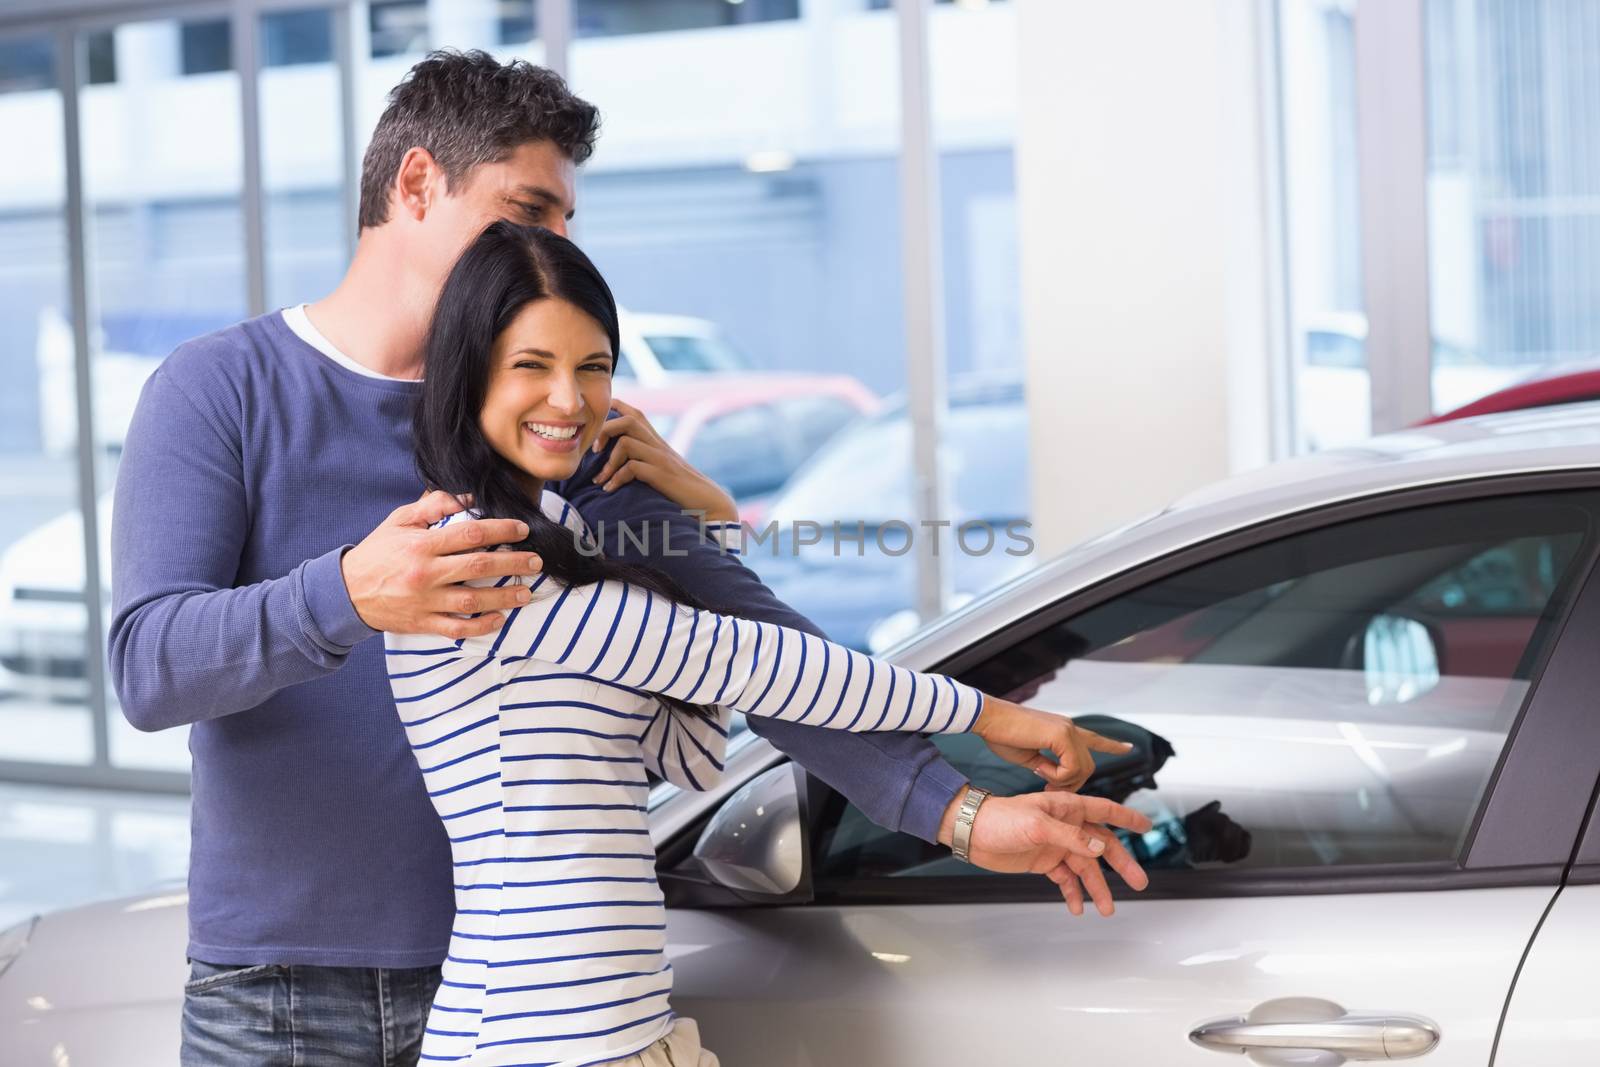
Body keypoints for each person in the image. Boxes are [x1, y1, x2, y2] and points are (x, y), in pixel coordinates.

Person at [108, 50, 1145, 1067]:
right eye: (529, 209)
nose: (554, 244)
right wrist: (344, 592)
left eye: (565, 220)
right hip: (285, 987)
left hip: (540, 996)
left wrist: (953, 808)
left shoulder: (570, 432)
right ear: (416, 182)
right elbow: (151, 667)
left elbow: (748, 651)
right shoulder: (220, 391)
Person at [389, 220, 1153, 1067]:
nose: (570, 400)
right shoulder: (471, 560)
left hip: (627, 1032)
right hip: (529, 1041)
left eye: (593, 366)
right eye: (531, 365)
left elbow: (695, 743)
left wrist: (699, 524)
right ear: (469, 373)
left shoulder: (564, 547)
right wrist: (990, 717)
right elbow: (755, 664)